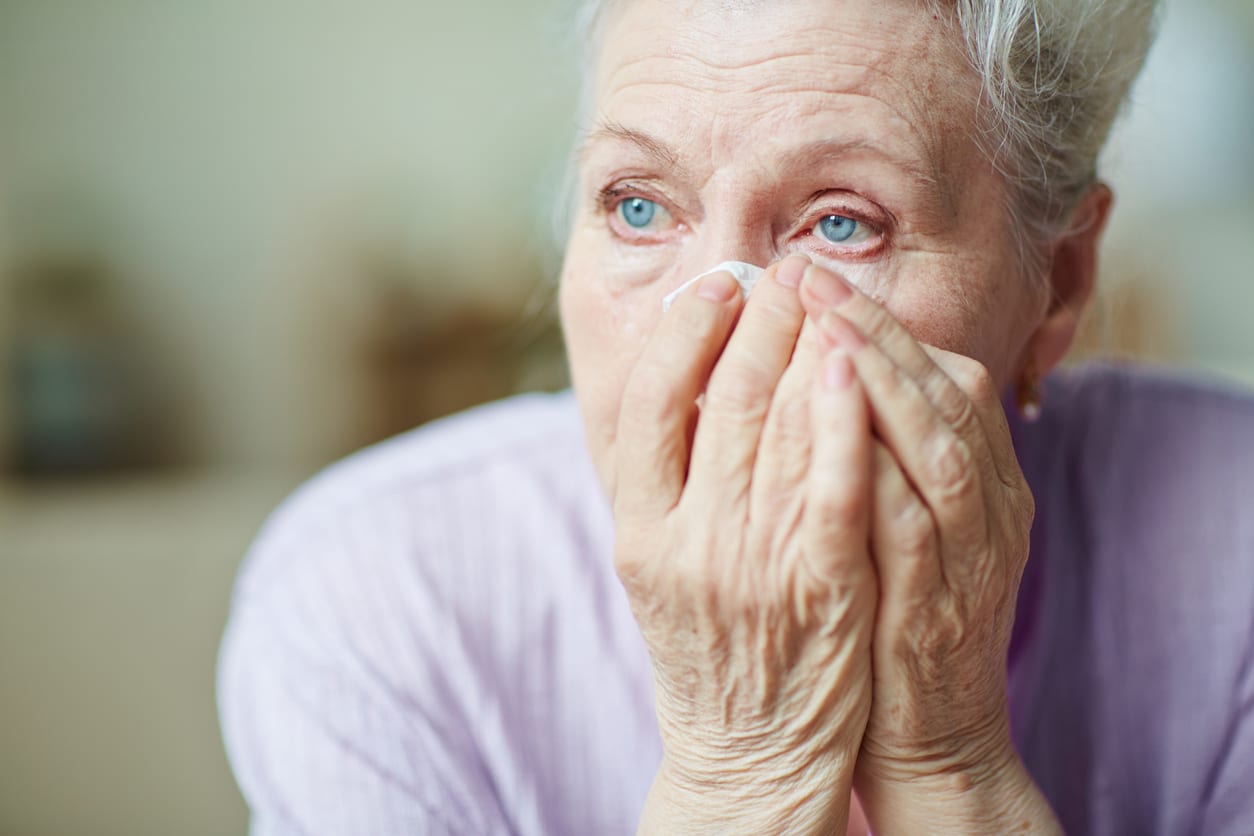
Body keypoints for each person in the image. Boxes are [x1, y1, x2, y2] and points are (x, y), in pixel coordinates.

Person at [217, 0, 1254, 833]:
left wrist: (954, 769)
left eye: (841, 221)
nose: (710, 331)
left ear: (1059, 281)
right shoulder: (375, 600)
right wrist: (738, 772)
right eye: (636, 204)